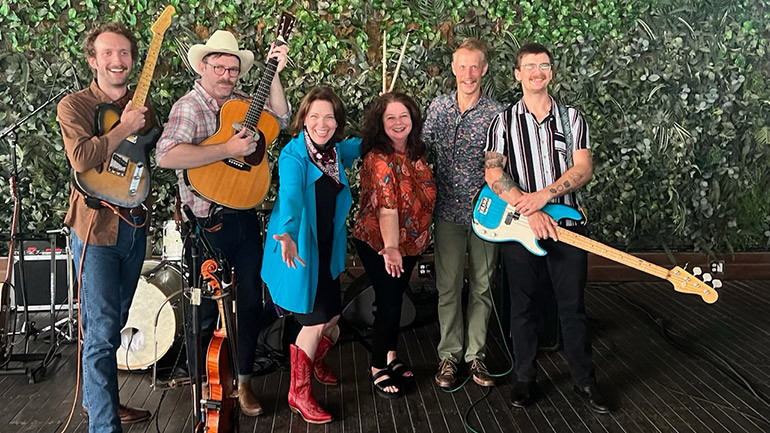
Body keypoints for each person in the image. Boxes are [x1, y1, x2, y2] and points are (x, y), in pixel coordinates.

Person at [155, 30, 290, 417]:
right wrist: (228, 149)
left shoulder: (243, 103)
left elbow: (280, 118)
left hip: (244, 218)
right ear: (203, 66)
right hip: (205, 225)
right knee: (202, 311)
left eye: (233, 69)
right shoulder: (189, 107)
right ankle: (207, 385)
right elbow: (167, 156)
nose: (227, 75)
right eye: (220, 67)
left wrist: (275, 70)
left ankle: (244, 384)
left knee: (249, 302)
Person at [483, 42, 610, 413]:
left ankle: (584, 382)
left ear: (551, 72)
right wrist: (530, 206)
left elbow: (583, 169)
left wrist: (544, 197)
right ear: (518, 74)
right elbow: (493, 173)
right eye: (529, 66)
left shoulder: (573, 119)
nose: (537, 72)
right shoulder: (502, 122)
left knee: (573, 307)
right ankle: (525, 378)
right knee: (521, 307)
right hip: (521, 227)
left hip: (567, 226)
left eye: (544, 66)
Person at [57, 22, 157, 432]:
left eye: (125, 54)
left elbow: (152, 152)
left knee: (113, 323)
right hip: (96, 230)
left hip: (133, 225)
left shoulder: (142, 104)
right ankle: (103, 424)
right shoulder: (74, 106)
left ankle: (104, 403)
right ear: (92, 59)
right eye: (109, 54)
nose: (118, 61)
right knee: (99, 332)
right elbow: (82, 158)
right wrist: (124, 128)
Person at [261, 86, 360, 424]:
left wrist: (382, 129)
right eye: (314, 116)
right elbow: (290, 197)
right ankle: (298, 392)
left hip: (327, 250)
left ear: (337, 123)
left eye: (329, 117)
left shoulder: (334, 153)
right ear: (303, 120)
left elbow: (359, 145)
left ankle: (316, 360)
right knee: (316, 321)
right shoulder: (293, 156)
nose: (322, 123)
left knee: (332, 318)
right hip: (300, 251)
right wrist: (287, 233)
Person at [423, 38, 504, 388]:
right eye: (462, 66)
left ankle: (476, 357)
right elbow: (421, 152)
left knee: (483, 286)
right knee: (448, 287)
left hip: (487, 214)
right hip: (446, 213)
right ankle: (448, 357)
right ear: (454, 69)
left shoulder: (497, 114)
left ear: (483, 70)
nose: (468, 73)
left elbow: (499, 167)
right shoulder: (438, 108)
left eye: (475, 66)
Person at [353, 92, 436, 398]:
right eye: (391, 117)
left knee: (396, 300)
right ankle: (377, 366)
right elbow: (387, 208)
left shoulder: (415, 151)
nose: (399, 123)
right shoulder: (378, 158)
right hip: (381, 243)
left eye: (404, 116)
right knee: (388, 303)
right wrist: (391, 248)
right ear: (380, 123)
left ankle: (390, 355)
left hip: (411, 243)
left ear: (413, 119)